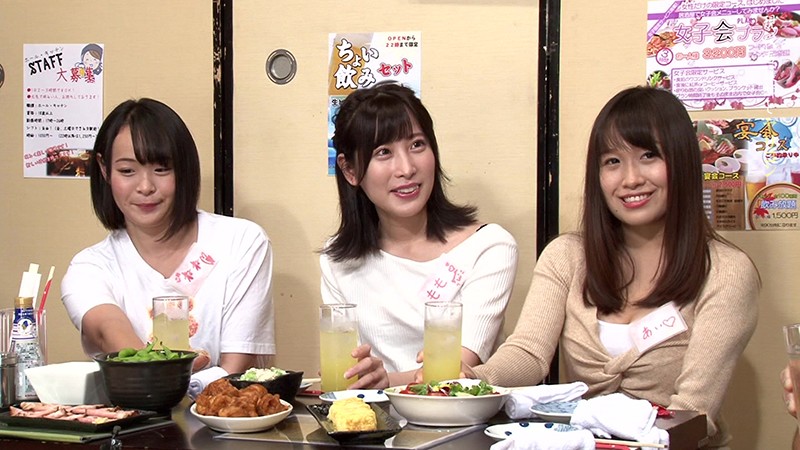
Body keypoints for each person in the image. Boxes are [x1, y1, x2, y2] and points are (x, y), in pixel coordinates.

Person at [460, 86, 759, 447]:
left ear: (681, 161)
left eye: (648, 156)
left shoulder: (726, 272)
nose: (630, 179)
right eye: (613, 161)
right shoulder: (567, 256)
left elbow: (693, 411)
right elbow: (530, 353)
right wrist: (474, 381)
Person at [61, 98, 275, 388]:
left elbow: (237, 368)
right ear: (104, 169)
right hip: (134, 415)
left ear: (183, 169)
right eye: (127, 171)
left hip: (225, 415)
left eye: (161, 169)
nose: (145, 187)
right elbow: (110, 332)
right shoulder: (89, 268)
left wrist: (178, 377)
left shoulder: (241, 242)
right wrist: (179, 370)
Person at [320, 81, 518, 389]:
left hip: (458, 415)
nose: (407, 168)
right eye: (383, 152)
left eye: (416, 145)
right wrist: (361, 378)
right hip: (371, 416)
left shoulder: (488, 248)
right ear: (350, 171)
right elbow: (349, 374)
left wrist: (385, 381)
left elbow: (453, 372)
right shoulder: (338, 260)